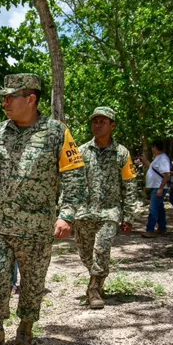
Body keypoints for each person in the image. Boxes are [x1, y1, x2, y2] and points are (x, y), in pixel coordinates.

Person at [0, 73, 86, 345]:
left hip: (37, 227)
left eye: (11, 97)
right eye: (4, 97)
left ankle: (25, 333)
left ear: (31, 99)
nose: (5, 102)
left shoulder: (58, 132)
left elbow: (74, 177)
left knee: (33, 284)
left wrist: (67, 215)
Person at [74, 107, 138, 309]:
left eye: (103, 121)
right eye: (95, 121)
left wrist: (128, 216)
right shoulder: (81, 151)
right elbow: (71, 182)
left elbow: (130, 184)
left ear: (113, 126)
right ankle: (97, 277)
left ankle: (94, 288)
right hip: (83, 212)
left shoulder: (122, 153)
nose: (98, 125)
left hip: (109, 212)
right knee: (86, 254)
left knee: (101, 249)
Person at [142, 140, 170, 237]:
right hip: (156, 186)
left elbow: (166, 174)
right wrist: (145, 161)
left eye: (152, 147)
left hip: (158, 187)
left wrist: (161, 189)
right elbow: (153, 169)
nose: (151, 149)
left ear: (155, 147)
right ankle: (162, 228)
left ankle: (150, 230)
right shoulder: (158, 158)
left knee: (153, 208)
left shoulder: (163, 158)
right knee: (160, 208)